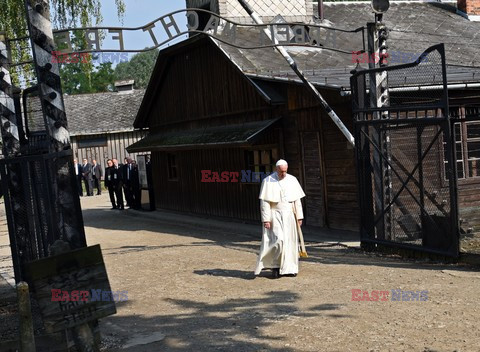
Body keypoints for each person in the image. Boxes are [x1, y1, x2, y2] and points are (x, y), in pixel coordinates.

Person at [254, 159, 306, 279]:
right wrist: (266, 219)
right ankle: (275, 267)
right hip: (274, 214)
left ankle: (290, 269)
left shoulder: (292, 180)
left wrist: (299, 216)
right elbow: (265, 202)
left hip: (289, 214)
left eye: (285, 171)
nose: (283, 173)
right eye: (281, 171)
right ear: (276, 169)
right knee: (278, 241)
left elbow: (297, 200)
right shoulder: (268, 181)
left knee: (290, 242)